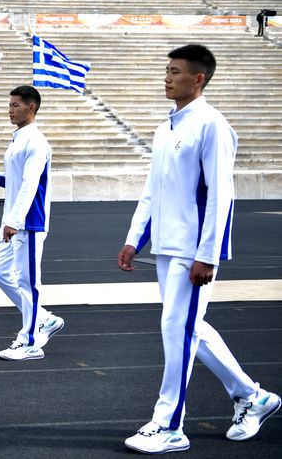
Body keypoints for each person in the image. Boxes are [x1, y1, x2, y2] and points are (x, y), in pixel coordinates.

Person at [118, 44, 280, 454]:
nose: (167, 77)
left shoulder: (212, 126)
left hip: (192, 251)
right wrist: (134, 238)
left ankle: (169, 425)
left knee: (176, 328)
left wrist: (207, 254)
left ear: (198, 78)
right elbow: (153, 190)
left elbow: (222, 195)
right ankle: (253, 396)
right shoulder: (166, 127)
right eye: (167, 70)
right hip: (166, 246)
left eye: (175, 71)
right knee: (188, 327)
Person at [0, 85, 64, 361]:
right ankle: (45, 319)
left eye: (15, 105)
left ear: (31, 107)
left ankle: (30, 342)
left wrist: (15, 220)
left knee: (28, 282)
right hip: (12, 220)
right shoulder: (17, 141)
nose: (10, 110)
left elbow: (29, 184)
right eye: (10, 105)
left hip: (28, 222)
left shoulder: (36, 143)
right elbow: (15, 181)